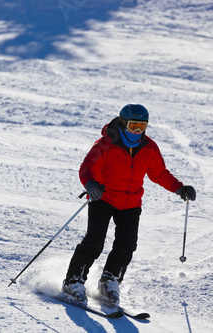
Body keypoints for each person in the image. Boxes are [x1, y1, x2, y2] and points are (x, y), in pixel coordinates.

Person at [62, 104, 196, 306]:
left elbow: (158, 173)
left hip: (131, 202)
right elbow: (87, 167)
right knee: (94, 242)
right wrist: (91, 185)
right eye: (133, 126)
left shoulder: (149, 148)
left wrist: (180, 188)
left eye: (142, 127)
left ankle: (109, 281)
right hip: (103, 198)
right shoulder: (105, 145)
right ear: (122, 123)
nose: (137, 131)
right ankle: (73, 281)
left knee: (127, 245)